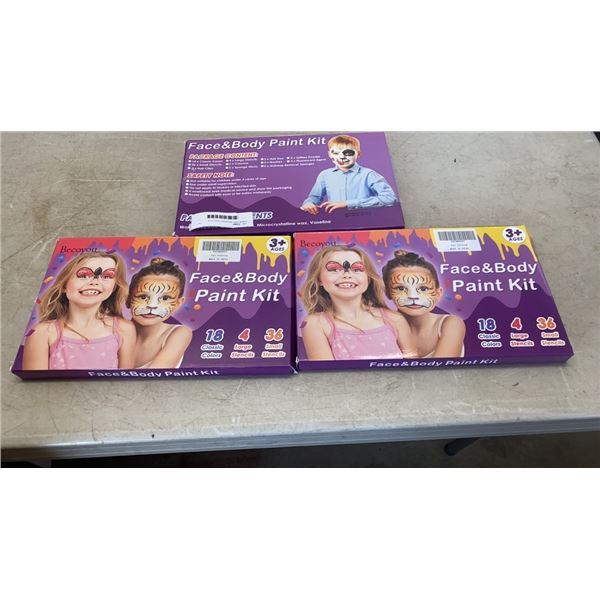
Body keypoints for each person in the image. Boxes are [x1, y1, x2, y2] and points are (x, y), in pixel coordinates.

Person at [300, 245, 417, 360]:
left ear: (368, 278)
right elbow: (326, 371)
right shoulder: (316, 324)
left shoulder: (394, 319)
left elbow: (414, 367)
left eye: (357, 269)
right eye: (334, 270)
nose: (347, 275)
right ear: (319, 279)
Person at [23, 251, 136, 370]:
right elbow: (35, 381)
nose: (95, 281)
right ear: (64, 285)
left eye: (107, 277)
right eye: (83, 276)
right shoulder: (41, 333)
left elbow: (126, 379)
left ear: (114, 287)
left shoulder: (124, 329)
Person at [382, 250, 465, 358]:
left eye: (423, 289)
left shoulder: (451, 323)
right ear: (388, 293)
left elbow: (441, 367)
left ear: (438, 293)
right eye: (401, 288)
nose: (413, 296)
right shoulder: (383, 325)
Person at [300, 134, 397, 214]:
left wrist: (348, 203)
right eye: (336, 153)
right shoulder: (325, 175)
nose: (341, 157)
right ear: (329, 154)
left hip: (365, 220)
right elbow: (314, 197)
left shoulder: (369, 175)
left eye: (348, 153)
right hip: (336, 222)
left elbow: (389, 198)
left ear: (358, 154)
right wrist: (308, 203)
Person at [127, 258, 192, 368]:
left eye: (165, 298)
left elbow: (155, 373)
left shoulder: (179, 333)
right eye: (143, 297)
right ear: (128, 299)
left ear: (178, 303)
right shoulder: (116, 331)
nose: (152, 305)